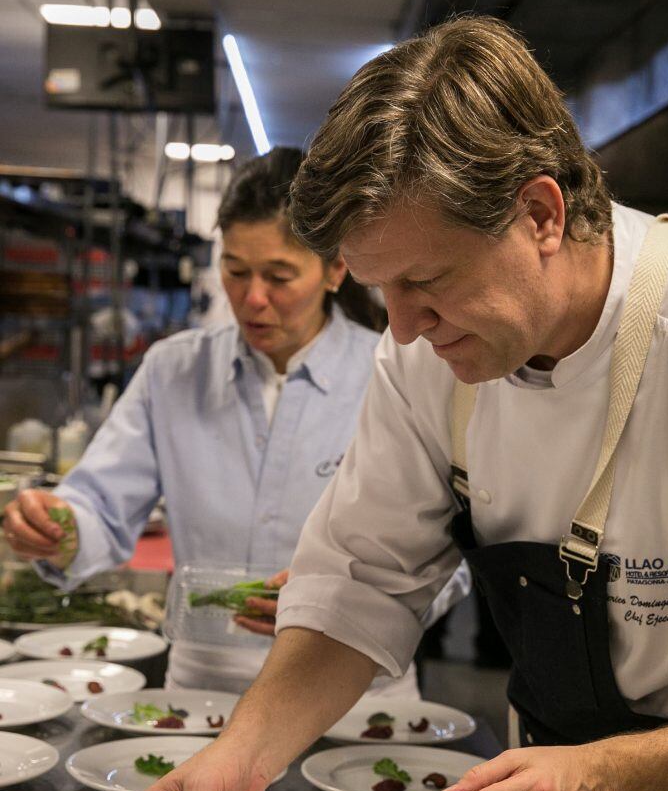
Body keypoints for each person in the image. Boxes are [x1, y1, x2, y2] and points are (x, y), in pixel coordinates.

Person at [127, 18, 668, 791]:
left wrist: (609, 777)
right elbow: (360, 577)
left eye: (428, 284)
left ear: (541, 212)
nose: (407, 331)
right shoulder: (427, 352)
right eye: (381, 293)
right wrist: (241, 755)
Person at [2, 147, 460, 695]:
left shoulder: (401, 372)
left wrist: (346, 611)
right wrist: (58, 528)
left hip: (356, 695)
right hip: (203, 693)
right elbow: (100, 504)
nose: (253, 299)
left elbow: (448, 558)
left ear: (337, 268)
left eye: (279, 276)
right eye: (236, 271)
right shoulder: (174, 372)